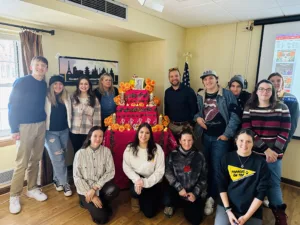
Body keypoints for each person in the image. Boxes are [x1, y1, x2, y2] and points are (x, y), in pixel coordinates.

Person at [242, 79, 291, 225]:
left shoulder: (282, 107)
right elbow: (247, 130)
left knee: (273, 185)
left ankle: (280, 216)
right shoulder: (249, 107)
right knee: (251, 183)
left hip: (274, 156)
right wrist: (265, 149)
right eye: (261, 89)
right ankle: (251, 213)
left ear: (273, 92)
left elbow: (285, 131)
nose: (265, 92)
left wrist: (274, 152)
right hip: (254, 154)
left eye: (268, 89)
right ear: (256, 91)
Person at [194, 70, 240, 216]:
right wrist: (197, 118)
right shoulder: (200, 95)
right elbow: (196, 112)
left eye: (211, 78)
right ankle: (205, 192)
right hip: (205, 137)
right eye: (205, 79)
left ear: (216, 79)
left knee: (217, 169)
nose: (208, 81)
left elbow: (235, 116)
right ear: (203, 82)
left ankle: (212, 198)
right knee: (205, 166)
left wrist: (227, 134)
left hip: (221, 139)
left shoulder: (227, 94)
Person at [8, 56, 48, 214]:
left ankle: (32, 188)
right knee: (21, 162)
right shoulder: (22, 81)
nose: (40, 68)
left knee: (35, 160)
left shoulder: (44, 84)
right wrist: (13, 129)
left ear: (45, 69)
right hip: (24, 126)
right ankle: (14, 195)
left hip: (41, 125)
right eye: (37, 65)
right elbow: (12, 105)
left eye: (43, 66)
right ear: (31, 67)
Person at [215, 129, 271, 225]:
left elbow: (261, 193)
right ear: (236, 141)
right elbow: (221, 186)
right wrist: (228, 211)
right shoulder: (226, 158)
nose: (244, 144)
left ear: (253, 144)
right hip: (227, 205)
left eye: (248, 141)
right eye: (241, 140)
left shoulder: (261, 163)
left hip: (250, 209)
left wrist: (246, 217)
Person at [73, 126, 119, 224]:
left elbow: (110, 172)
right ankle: (86, 202)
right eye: (95, 136)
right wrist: (92, 195)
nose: (98, 139)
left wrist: (95, 188)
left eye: (100, 136)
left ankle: (100, 203)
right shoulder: (80, 154)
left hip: (99, 187)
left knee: (114, 189)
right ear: (89, 137)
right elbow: (77, 177)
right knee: (102, 219)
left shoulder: (106, 151)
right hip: (85, 191)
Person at [164, 127, 207, 225]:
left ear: (193, 140)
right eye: (184, 140)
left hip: (191, 192)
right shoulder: (173, 155)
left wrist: (195, 193)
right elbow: (168, 173)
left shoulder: (199, 156)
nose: (187, 143)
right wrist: (178, 188)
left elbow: (203, 178)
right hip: (177, 190)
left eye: (189, 140)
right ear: (179, 141)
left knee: (196, 220)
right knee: (167, 199)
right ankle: (171, 204)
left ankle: (187, 205)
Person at [123, 123, 165, 218]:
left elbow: (159, 171)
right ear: (138, 133)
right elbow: (126, 167)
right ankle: (136, 197)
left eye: (147, 133)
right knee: (135, 191)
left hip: (152, 180)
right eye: (141, 132)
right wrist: (138, 180)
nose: (143, 135)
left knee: (150, 214)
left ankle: (144, 197)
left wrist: (145, 182)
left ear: (150, 135)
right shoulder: (130, 148)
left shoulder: (157, 149)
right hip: (137, 179)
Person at [45, 75, 72, 197]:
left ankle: (57, 179)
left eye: (60, 84)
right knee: (58, 158)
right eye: (55, 84)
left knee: (62, 156)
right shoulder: (46, 98)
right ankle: (65, 183)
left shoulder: (66, 97)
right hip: (50, 133)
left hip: (64, 131)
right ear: (51, 86)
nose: (58, 86)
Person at [70, 76, 101, 154]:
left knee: (88, 153)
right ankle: (77, 166)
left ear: (89, 86)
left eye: (86, 84)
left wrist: (96, 132)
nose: (83, 86)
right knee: (77, 153)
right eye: (81, 84)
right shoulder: (72, 98)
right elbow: (69, 114)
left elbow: (97, 117)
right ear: (78, 85)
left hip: (88, 132)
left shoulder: (94, 99)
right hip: (75, 131)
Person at [164, 67, 197, 140]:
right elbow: (166, 109)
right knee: (172, 150)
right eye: (171, 76)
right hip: (171, 126)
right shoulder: (167, 92)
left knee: (185, 150)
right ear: (169, 78)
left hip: (185, 127)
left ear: (180, 76)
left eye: (176, 76)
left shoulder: (189, 91)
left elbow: (194, 109)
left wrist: (191, 125)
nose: (174, 78)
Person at [268, 72, 299, 149]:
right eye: (272, 81)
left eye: (278, 81)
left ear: (283, 83)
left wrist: (284, 142)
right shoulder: (264, 97)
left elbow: (293, 124)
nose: (276, 83)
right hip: (263, 142)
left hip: (280, 142)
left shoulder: (291, 99)